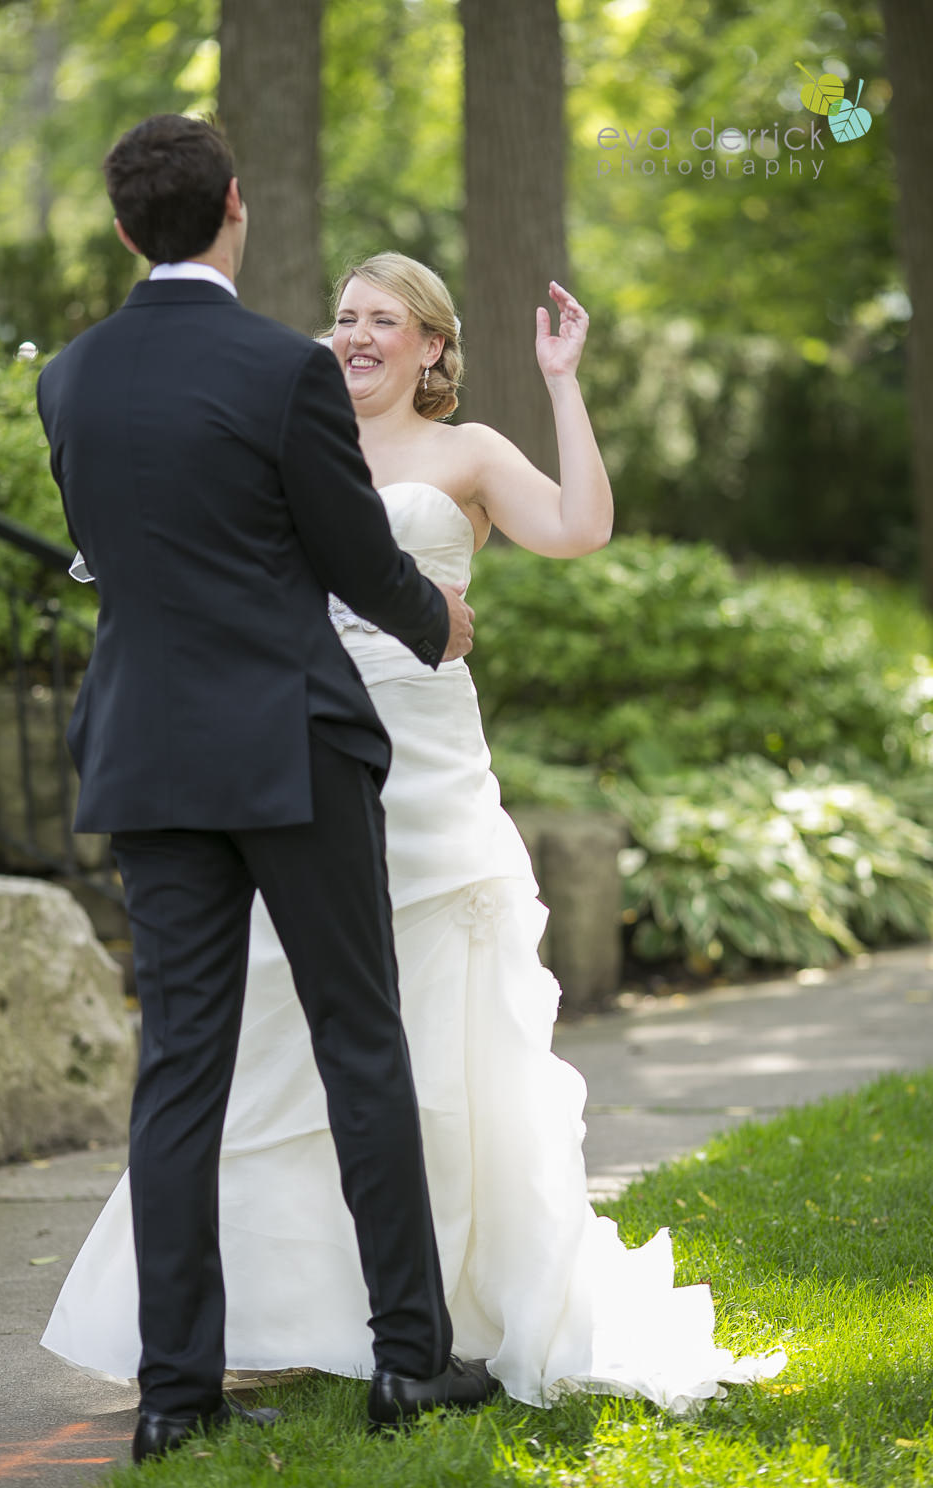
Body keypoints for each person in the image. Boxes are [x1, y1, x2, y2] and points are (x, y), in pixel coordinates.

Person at [43, 250, 786, 1413]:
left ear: (434, 347)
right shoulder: (283, 424)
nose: (356, 337)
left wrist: (562, 381)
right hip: (293, 759)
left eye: (384, 320)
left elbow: (579, 527)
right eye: (343, 317)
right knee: (293, 1044)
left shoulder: (468, 452)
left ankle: (444, 1307)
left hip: (433, 780)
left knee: (440, 1050)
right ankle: (310, 1312)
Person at [36, 121, 500, 1463]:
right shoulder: (282, 367)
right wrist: (437, 625)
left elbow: (101, 548)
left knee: (181, 1067)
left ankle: (174, 1399)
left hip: (147, 754)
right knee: (363, 1038)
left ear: (129, 230)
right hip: (293, 746)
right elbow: (356, 551)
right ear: (233, 210)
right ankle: (410, 1364)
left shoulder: (70, 380)